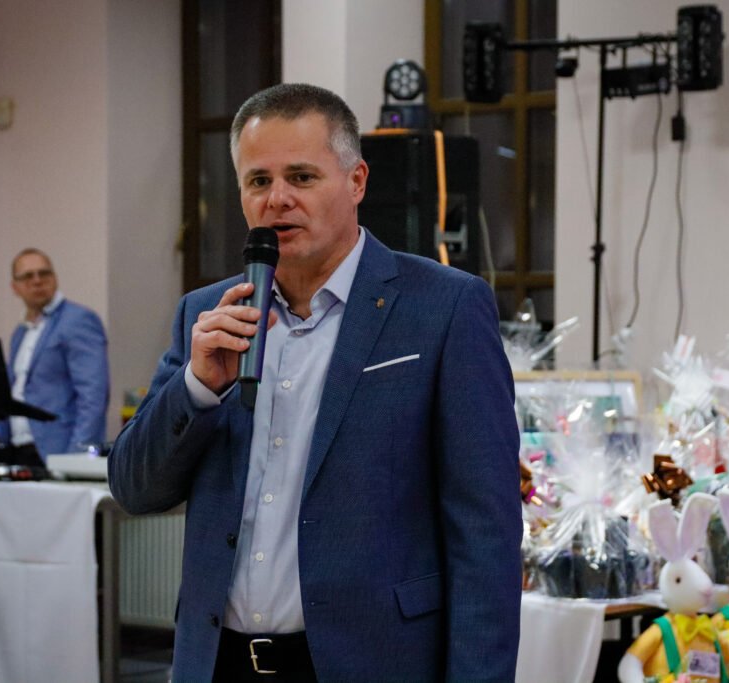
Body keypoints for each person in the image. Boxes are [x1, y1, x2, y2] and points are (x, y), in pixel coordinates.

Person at [109, 84, 520, 682]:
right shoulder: (209, 314)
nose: (277, 199)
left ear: (356, 182)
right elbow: (134, 490)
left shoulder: (444, 309)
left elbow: (485, 535)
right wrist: (197, 387)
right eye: (258, 181)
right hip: (219, 663)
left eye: (301, 177)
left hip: (372, 664)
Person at [0, 248, 110, 459]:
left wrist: (75, 458)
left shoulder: (78, 320)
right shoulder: (20, 332)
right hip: (15, 448)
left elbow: (93, 397)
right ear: (15, 287)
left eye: (44, 273)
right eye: (28, 276)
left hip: (56, 452)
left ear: (55, 278)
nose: (37, 281)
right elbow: (5, 394)